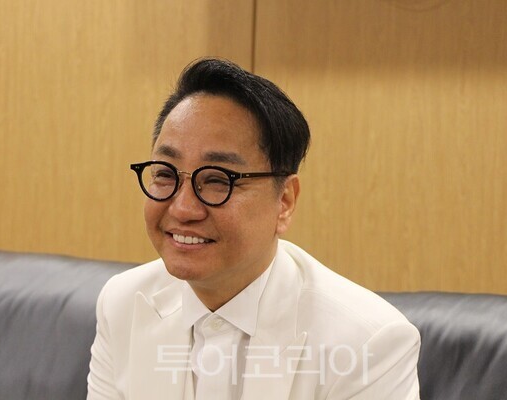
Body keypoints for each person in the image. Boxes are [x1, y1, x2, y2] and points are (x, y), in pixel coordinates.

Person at [87, 58, 420, 400]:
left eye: (218, 180)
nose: (183, 208)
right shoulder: (123, 304)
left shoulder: (369, 344)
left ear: (284, 201)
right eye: (165, 173)